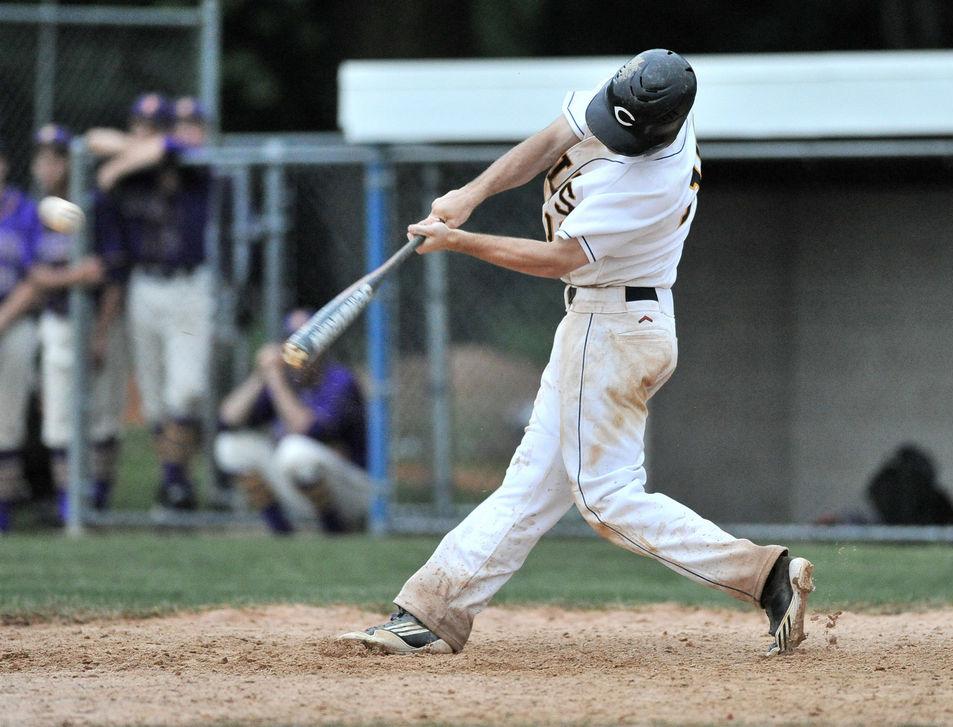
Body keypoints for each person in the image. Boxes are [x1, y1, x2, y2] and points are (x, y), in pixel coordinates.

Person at [341, 50, 814, 657]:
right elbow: (552, 139)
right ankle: (430, 613)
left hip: (613, 326)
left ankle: (766, 576)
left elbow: (558, 260)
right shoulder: (640, 91)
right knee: (533, 483)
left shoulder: (649, 181)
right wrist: (471, 193)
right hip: (607, 320)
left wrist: (458, 241)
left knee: (605, 496)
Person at [87, 94, 213, 511]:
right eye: (137, 125)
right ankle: (174, 484)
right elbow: (93, 138)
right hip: (144, 285)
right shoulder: (137, 177)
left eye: (152, 127)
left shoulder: (190, 165)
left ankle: (176, 482)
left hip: (187, 285)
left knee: (188, 390)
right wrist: (130, 158)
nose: (144, 133)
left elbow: (174, 148)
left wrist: (121, 162)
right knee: (156, 399)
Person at [27, 123, 128, 520]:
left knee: (103, 413)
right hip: (59, 321)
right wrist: (74, 276)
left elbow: (112, 275)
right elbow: (36, 275)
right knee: (58, 418)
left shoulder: (97, 204)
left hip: (99, 321)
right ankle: (71, 504)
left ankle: (98, 499)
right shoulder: (40, 208)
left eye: (57, 157)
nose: (48, 166)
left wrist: (102, 333)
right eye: (43, 158)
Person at [215, 309, 369, 534]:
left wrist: (275, 380)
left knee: (294, 450)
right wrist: (261, 375)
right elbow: (227, 419)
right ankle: (281, 530)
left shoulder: (340, 380)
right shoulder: (285, 379)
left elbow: (308, 430)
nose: (302, 352)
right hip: (299, 482)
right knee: (230, 446)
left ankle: (336, 530)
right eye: (295, 344)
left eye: (308, 343)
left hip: (352, 490)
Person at [0, 137, 42, 533]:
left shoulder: (24, 210)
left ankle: (3, 513)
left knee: (6, 420)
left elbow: (37, 275)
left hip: (13, 320)